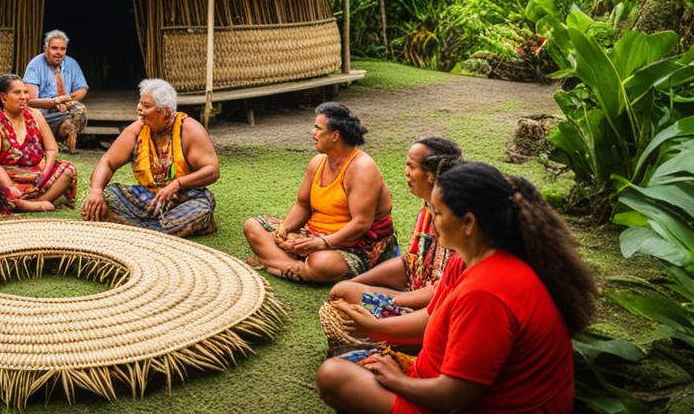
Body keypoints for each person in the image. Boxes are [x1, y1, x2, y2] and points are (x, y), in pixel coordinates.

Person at [316, 162, 598, 413]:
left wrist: (397, 380)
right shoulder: (467, 259)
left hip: (472, 402)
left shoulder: (486, 293)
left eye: (438, 213)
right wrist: (374, 328)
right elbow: (432, 317)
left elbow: (453, 397)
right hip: (441, 380)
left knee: (333, 375)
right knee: (350, 365)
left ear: (468, 223)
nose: (433, 221)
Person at [324, 137, 465, 346]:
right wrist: (358, 283)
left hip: (431, 311)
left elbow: (439, 290)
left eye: (411, 166)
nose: (406, 172)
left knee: (343, 293)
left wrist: (390, 301)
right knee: (344, 290)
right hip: (416, 292)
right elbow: (411, 263)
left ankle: (387, 338)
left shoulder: (451, 220)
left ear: (431, 175)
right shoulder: (428, 209)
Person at [244, 102, 396, 282]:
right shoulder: (317, 162)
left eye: (318, 128)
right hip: (312, 233)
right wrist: (285, 228)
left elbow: (361, 223)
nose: (312, 133)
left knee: (322, 264)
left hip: (353, 245)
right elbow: (303, 205)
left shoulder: (362, 168)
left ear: (335, 135)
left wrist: (322, 243)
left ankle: (280, 263)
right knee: (253, 226)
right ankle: (293, 268)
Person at [80, 78, 218, 238]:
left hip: (184, 198)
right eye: (140, 103)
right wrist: (96, 191)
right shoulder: (137, 129)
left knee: (203, 208)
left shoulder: (189, 130)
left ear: (165, 114)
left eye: (146, 106)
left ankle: (136, 229)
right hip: (148, 197)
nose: (139, 109)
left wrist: (178, 184)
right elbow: (107, 162)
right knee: (107, 195)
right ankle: (161, 230)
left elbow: (212, 170)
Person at [0, 73, 79, 213]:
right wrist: (10, 187)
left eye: (25, 92)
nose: (24, 97)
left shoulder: (35, 115)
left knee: (68, 170)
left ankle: (35, 202)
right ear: (3, 97)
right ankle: (23, 201)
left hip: (35, 177)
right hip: (3, 178)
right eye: (17, 93)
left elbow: (51, 149)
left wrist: (45, 174)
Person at [23, 30, 89, 153]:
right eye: (54, 48)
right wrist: (54, 102)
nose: (59, 52)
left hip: (64, 105)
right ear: (46, 49)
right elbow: (30, 101)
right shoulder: (35, 65)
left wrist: (68, 101)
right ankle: (49, 141)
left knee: (80, 110)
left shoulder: (71, 63)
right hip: (43, 108)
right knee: (33, 115)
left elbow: (82, 89)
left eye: (62, 49)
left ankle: (63, 138)